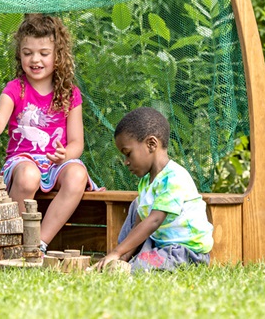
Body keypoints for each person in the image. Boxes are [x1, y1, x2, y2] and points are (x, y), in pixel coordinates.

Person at [0, 13, 102, 253]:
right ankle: (14, 239)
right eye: (27, 52)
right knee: (29, 175)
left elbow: (76, 143)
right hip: (23, 161)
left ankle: (37, 244)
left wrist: (65, 155)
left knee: (77, 175)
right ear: (19, 54)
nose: (35, 59)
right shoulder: (15, 89)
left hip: (55, 163)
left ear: (58, 56)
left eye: (44, 53)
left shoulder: (70, 94)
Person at [91, 107, 213, 273]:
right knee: (137, 206)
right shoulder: (146, 182)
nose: (126, 162)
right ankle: (124, 262)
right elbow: (139, 224)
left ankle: (132, 266)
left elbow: (154, 221)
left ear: (151, 144)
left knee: (141, 266)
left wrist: (116, 252)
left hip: (185, 253)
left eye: (128, 154)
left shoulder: (174, 178)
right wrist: (122, 257)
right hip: (160, 245)